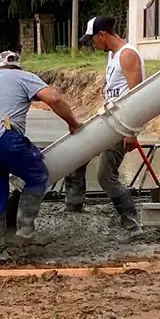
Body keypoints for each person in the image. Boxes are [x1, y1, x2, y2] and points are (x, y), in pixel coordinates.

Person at [0, 51, 82, 262]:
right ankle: (25, 229)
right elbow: (54, 99)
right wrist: (73, 124)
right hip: (3, 138)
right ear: (19, 67)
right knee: (38, 176)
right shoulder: (24, 77)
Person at [64, 15, 145, 242]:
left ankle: (133, 226)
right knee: (78, 152)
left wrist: (130, 133)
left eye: (93, 40)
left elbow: (137, 96)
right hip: (107, 120)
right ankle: (74, 205)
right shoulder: (113, 55)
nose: (92, 44)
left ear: (102, 34)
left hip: (121, 126)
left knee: (106, 176)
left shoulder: (128, 55)